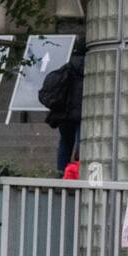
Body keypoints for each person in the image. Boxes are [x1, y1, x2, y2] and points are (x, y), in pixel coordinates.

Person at [38, 39, 84, 175]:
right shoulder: (92, 68)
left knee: (65, 142)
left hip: (65, 113)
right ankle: (78, 173)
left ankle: (61, 172)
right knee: (81, 144)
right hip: (83, 115)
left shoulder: (67, 67)